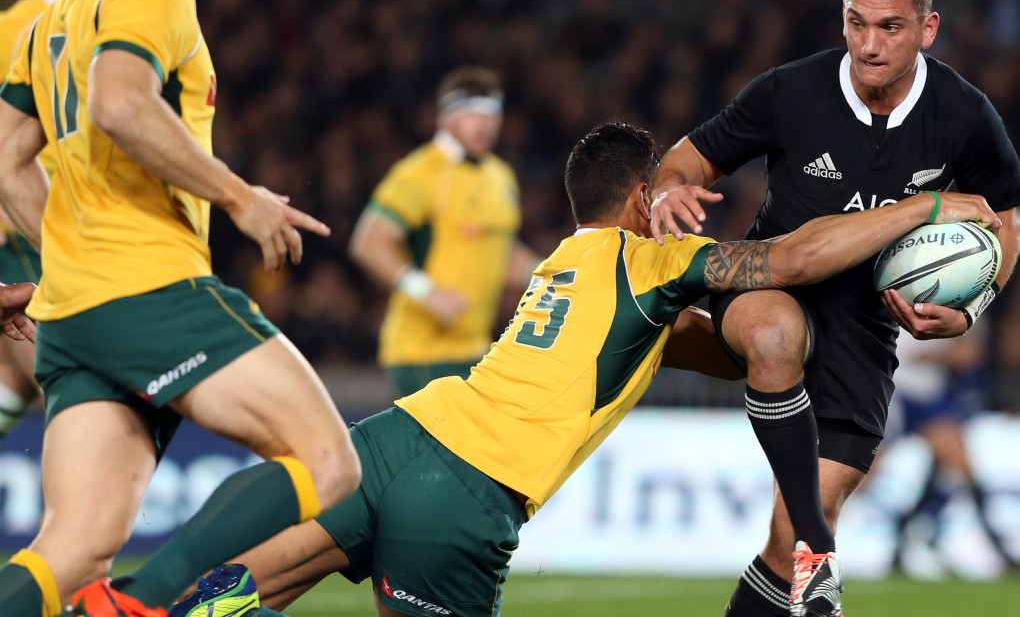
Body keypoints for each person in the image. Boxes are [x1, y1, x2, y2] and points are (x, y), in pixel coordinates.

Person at [182, 122, 996, 617]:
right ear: (644, 200)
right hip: (468, 492)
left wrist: (784, 355)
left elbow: (702, 350)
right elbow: (791, 256)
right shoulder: (650, 262)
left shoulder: (563, 264)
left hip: (397, 440)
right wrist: (923, 208)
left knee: (255, 583)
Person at [648, 0, 1020, 617]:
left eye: (890, 27)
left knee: (786, 535)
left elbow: (1009, 217)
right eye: (856, 24)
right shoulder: (791, 90)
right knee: (772, 333)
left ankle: (803, 549)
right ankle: (821, 554)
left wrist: (974, 306)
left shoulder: (964, 115)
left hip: (867, 324)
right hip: (766, 283)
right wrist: (670, 189)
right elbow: (689, 158)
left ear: (928, 29)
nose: (870, 44)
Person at [0, 0, 362, 616]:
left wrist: (70, 261)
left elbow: (6, 157)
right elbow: (120, 105)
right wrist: (238, 199)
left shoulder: (56, 14)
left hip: (75, 314)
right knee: (328, 460)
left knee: (70, 551)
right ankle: (141, 602)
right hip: (149, 289)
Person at [348, 66, 541, 397]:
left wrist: (550, 274)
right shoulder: (421, 172)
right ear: (445, 117)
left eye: (491, 113)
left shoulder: (500, 176)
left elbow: (500, 251)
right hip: (422, 353)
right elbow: (368, 242)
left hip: (477, 349)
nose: (483, 123)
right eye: (471, 112)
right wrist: (426, 292)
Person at [0, 0, 85, 441]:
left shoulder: (121, 20)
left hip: (95, 234)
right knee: (80, 384)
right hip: (27, 233)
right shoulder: (12, 28)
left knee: (16, 379)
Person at [883, 327, 1017, 577]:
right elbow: (952, 355)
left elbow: (968, 353)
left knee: (954, 466)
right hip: (893, 396)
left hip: (928, 401)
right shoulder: (892, 310)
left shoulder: (941, 303)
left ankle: (906, 543)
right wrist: (944, 354)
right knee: (864, 474)